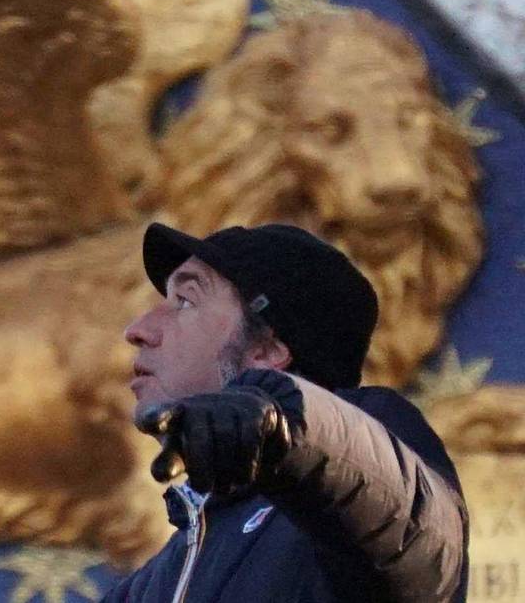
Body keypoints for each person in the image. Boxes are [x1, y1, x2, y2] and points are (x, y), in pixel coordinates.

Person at [105, 222, 467, 602]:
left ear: (267, 351)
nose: (138, 329)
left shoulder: (374, 448)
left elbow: (421, 539)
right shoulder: (158, 579)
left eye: (185, 301)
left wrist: (285, 426)